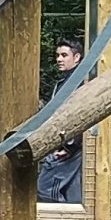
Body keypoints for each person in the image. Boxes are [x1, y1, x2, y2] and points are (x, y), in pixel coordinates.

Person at [36, 38, 85, 203]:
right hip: (64, 145)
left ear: (76, 58)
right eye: (58, 55)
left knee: (46, 188)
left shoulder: (78, 83)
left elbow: (81, 114)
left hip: (68, 147)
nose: (59, 59)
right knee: (73, 196)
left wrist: (70, 146)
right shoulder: (63, 82)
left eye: (64, 55)